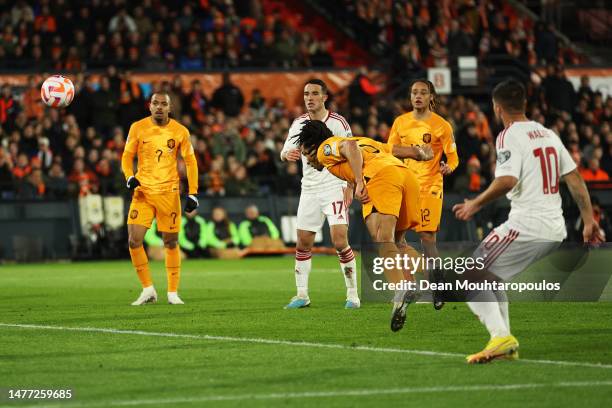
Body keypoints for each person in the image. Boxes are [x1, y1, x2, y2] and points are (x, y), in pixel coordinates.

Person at [453, 79, 603, 364]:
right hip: (554, 228)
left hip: (527, 224)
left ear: (497, 108)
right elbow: (573, 178)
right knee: (491, 277)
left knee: (468, 276)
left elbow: (508, 179)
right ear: (524, 104)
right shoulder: (548, 134)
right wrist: (588, 220)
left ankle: (500, 336)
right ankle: (505, 345)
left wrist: (475, 203)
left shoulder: (508, 136)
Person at [294, 120, 433, 331]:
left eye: (306, 153)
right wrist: (420, 154)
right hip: (406, 176)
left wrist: (359, 181)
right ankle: (432, 271)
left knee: (383, 239)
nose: (307, 160)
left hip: (382, 178)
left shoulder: (325, 149)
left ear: (314, 145)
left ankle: (400, 289)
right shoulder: (363, 140)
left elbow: (350, 149)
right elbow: (393, 149)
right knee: (397, 242)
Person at [280, 79, 359, 309]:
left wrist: (351, 186)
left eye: (315, 93)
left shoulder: (338, 123)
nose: (309, 98)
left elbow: (353, 154)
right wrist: (288, 155)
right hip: (309, 189)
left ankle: (353, 295)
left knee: (339, 240)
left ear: (325, 97)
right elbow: (285, 150)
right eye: (306, 94)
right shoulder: (298, 123)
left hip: (335, 186)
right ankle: (302, 295)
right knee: (303, 243)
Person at [121, 92, 199, 306]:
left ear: (169, 108)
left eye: (164, 104)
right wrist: (129, 177)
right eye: (155, 103)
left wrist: (193, 192)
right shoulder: (137, 127)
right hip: (143, 192)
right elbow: (127, 156)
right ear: (149, 106)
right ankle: (148, 289)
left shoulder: (180, 131)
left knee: (171, 242)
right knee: (133, 240)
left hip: (168, 193)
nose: (159, 107)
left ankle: (172, 292)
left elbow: (190, 161)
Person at [387, 79, 459, 310]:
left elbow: (454, 156)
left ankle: (438, 287)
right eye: (414, 92)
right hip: (405, 186)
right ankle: (408, 286)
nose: (418, 96)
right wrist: (411, 152)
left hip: (430, 186)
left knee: (427, 240)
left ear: (431, 97)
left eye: (423, 92)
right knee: (396, 239)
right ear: (410, 97)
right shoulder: (400, 122)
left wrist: (449, 166)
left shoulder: (442, 126)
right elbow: (390, 150)